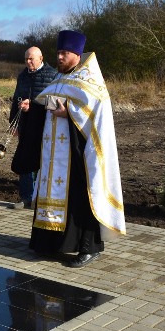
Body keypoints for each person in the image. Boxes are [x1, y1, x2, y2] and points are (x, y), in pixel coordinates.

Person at [26, 30, 126, 268]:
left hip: (81, 152)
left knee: (84, 195)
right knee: (58, 195)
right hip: (55, 155)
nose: (59, 57)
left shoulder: (90, 81)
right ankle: (51, 244)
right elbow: (48, 103)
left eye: (64, 53)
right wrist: (36, 106)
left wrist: (68, 112)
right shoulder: (60, 79)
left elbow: (96, 115)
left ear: (77, 54)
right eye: (58, 52)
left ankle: (89, 248)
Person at [8, 47, 56, 209]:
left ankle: (42, 198)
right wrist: (13, 123)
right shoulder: (22, 76)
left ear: (41, 58)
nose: (28, 62)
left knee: (43, 160)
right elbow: (16, 99)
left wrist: (33, 105)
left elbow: (55, 100)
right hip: (25, 124)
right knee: (25, 158)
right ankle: (26, 197)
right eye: (26, 59)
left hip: (45, 124)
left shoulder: (52, 75)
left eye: (31, 59)